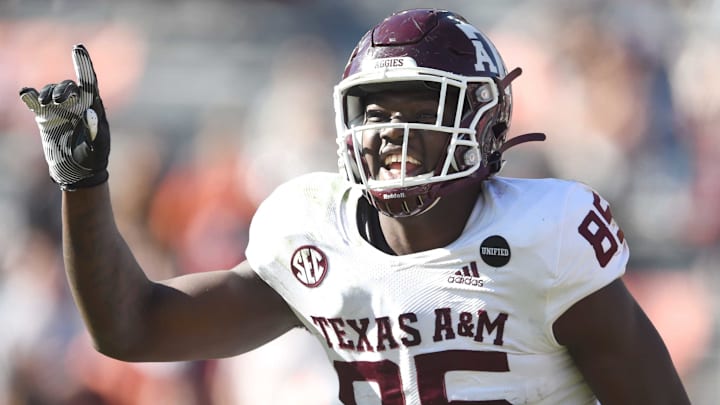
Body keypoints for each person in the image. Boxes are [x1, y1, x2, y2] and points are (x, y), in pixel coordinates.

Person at [19, 8, 690, 405]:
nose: (392, 130)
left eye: (422, 107)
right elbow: (132, 329)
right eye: (374, 111)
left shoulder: (545, 236)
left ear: (487, 122)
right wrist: (83, 184)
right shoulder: (311, 233)